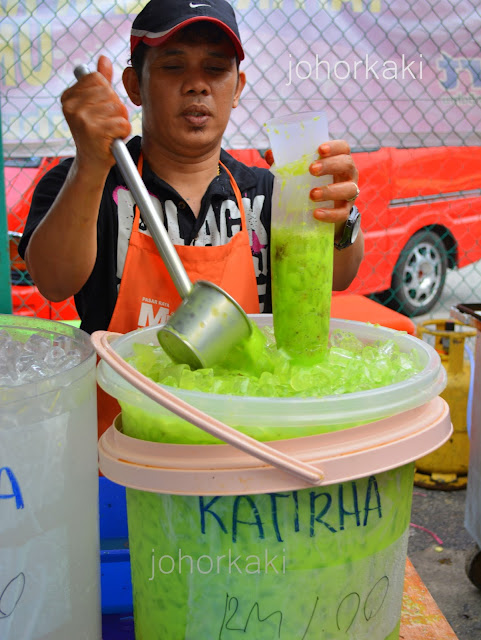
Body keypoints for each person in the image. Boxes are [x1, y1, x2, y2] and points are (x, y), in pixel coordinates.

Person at [19, 0, 364, 437]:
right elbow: (53, 279)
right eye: (173, 66)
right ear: (134, 85)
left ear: (237, 87)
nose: (197, 85)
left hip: (246, 441)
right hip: (121, 446)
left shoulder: (268, 194)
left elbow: (340, 275)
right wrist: (89, 163)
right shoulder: (89, 186)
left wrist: (340, 216)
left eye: (216, 69)